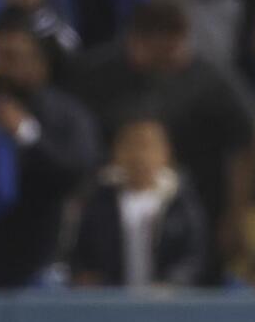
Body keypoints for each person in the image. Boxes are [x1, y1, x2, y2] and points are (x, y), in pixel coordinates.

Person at [64, 0, 255, 280]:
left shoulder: (208, 79)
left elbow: (246, 144)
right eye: (164, 50)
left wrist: (236, 215)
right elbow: (75, 138)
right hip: (114, 208)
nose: (176, 57)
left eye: (179, 45)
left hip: (195, 211)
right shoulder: (98, 76)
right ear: (137, 41)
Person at [0, 8, 100, 288]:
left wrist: (26, 134)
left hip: (39, 260)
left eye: (11, 57)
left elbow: (76, 171)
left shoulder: (64, 114)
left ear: (39, 64)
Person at [67, 116, 209, 288]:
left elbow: (193, 257)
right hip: (110, 301)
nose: (139, 155)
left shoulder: (181, 201)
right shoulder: (98, 199)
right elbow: (81, 253)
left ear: (166, 153)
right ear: (116, 151)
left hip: (166, 303)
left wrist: (173, 283)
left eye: (148, 146)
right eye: (131, 145)